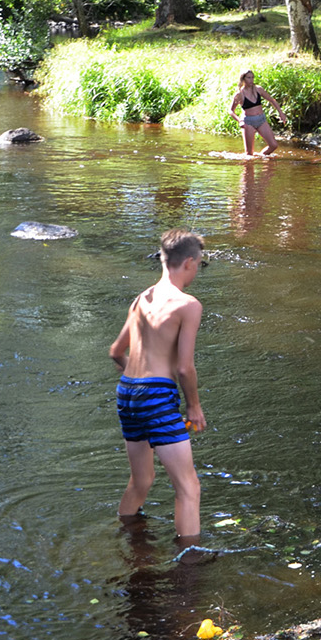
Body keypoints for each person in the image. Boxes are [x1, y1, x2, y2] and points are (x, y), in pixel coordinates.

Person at [110, 229, 207, 542]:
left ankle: (125, 540)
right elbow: (183, 367)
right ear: (189, 263)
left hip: (127, 391)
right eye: (199, 264)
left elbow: (116, 352)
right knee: (188, 487)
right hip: (155, 395)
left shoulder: (141, 299)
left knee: (142, 481)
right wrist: (193, 406)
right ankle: (189, 569)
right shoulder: (188, 305)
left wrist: (139, 383)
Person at [229, 69, 288, 156]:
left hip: (261, 120)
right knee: (249, 154)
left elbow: (272, 100)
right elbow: (231, 111)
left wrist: (281, 113)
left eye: (252, 77)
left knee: (273, 145)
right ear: (243, 79)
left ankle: (261, 157)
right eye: (249, 78)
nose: (251, 80)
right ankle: (250, 166)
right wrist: (239, 121)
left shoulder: (258, 89)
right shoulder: (239, 94)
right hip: (248, 122)